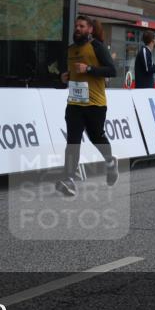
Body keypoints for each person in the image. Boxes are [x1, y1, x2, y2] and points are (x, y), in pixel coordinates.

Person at [55, 16, 119, 197]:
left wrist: (89, 69)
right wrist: (64, 77)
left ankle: (110, 163)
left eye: (82, 26)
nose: (78, 29)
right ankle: (69, 179)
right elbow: (70, 73)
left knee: (96, 136)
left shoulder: (97, 47)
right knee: (73, 141)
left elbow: (112, 70)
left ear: (90, 29)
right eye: (76, 26)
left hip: (95, 104)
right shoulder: (70, 49)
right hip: (75, 103)